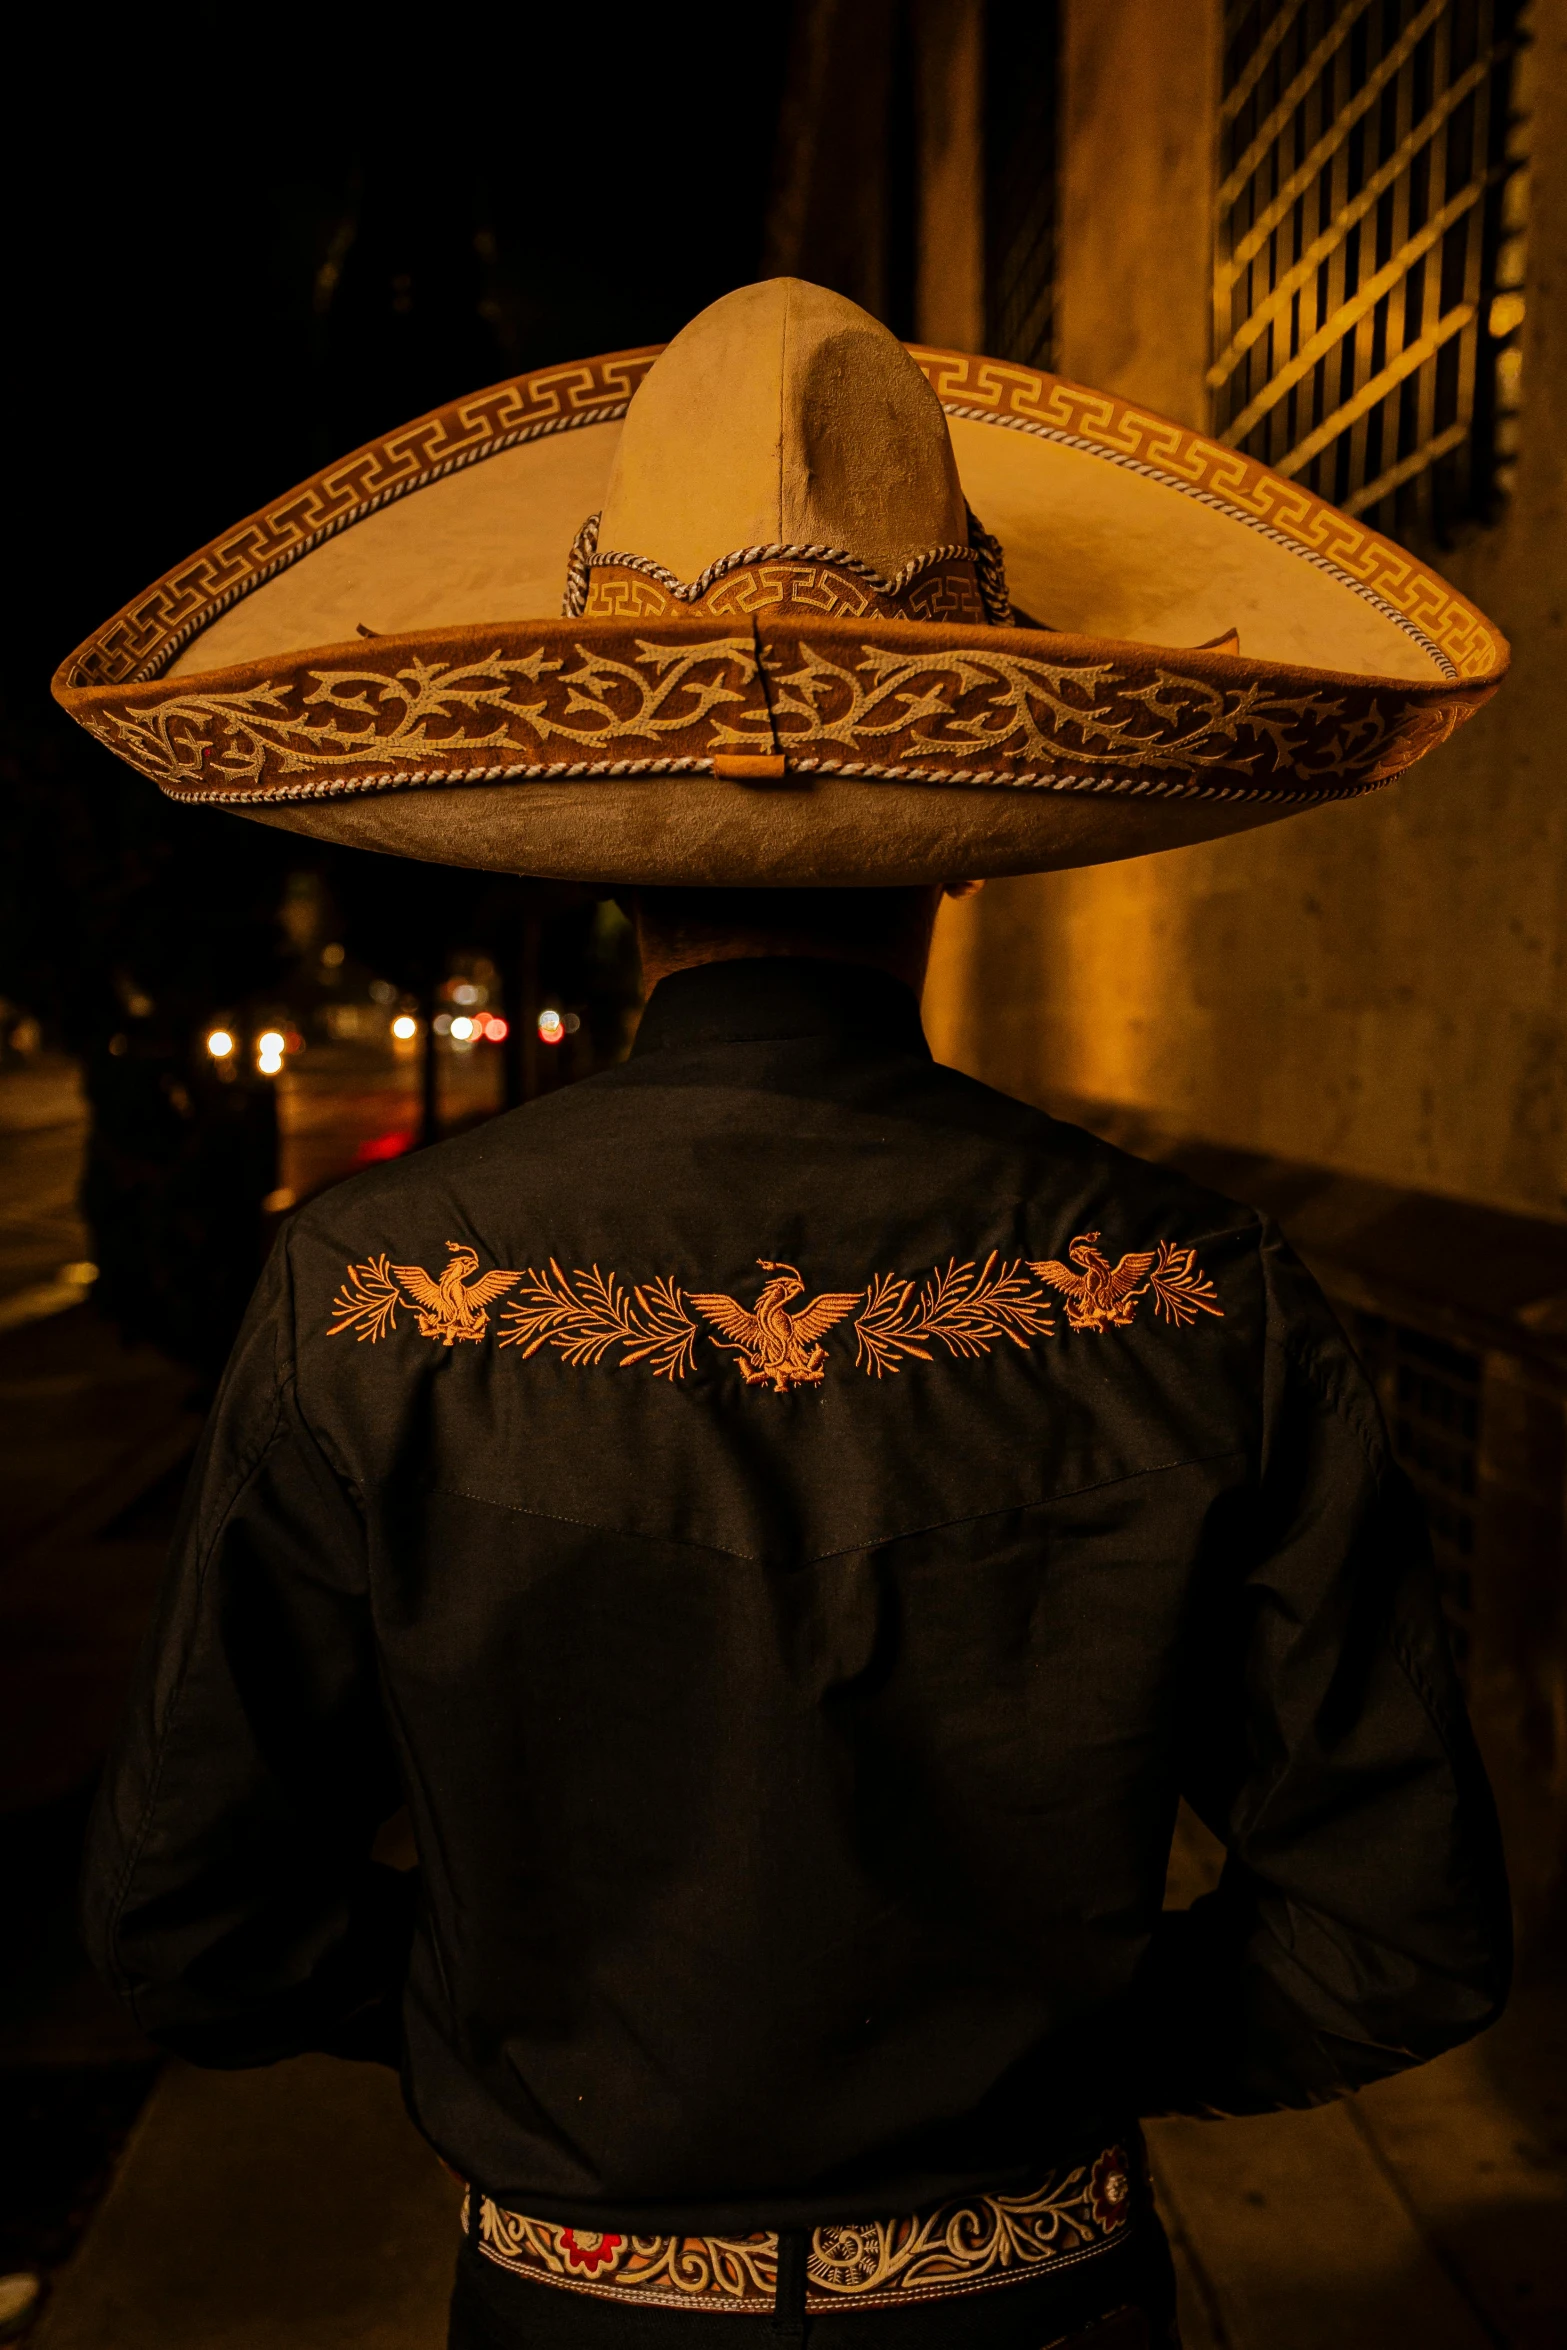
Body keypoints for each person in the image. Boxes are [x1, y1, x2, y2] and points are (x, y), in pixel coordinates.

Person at [72, 282, 1510, 2350]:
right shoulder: (1197, 1291)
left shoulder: (378, 1292)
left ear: (594, 858)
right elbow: (1401, 1932)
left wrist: (544, 2040)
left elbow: (185, 1919)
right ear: (971, 862)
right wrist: (1057, 2035)